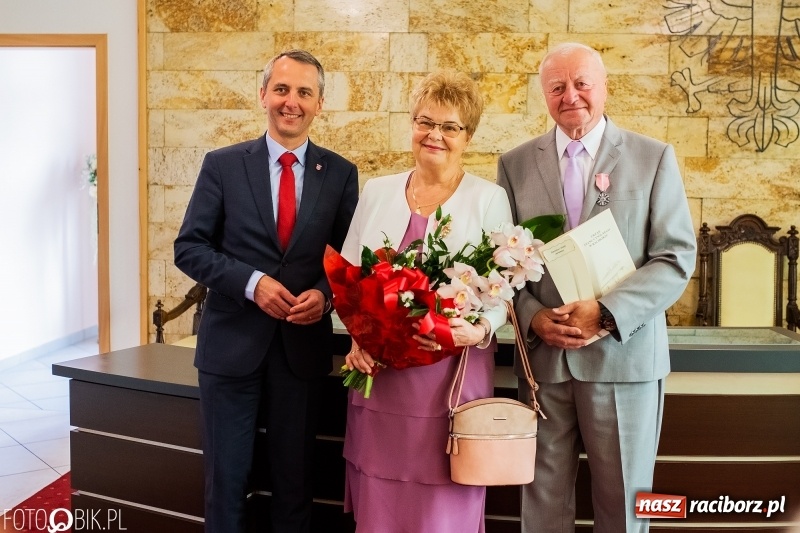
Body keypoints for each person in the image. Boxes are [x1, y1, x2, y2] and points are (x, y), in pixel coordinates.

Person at [497, 42, 697, 533]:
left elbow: (675, 257)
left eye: (582, 83)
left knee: (627, 508)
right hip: (545, 365)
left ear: (605, 87)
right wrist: (533, 317)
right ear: (544, 94)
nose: (571, 96)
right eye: (557, 86)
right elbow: (499, 264)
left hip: (624, 362)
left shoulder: (653, 158)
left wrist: (606, 313)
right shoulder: (514, 164)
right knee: (540, 508)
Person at [174, 49, 358, 533]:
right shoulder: (222, 165)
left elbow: (349, 259)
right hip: (230, 350)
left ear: (320, 103)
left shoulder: (340, 174)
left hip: (301, 354)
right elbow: (189, 247)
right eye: (281, 89)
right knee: (227, 482)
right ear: (262, 96)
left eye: (303, 92)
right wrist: (252, 284)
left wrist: (326, 294)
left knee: (294, 484)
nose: (290, 102)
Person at [341, 70, 511, 532]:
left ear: (468, 136)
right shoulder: (376, 192)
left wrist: (483, 327)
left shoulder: (489, 198)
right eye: (424, 122)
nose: (434, 135)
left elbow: (506, 284)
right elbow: (351, 278)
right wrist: (359, 335)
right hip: (382, 374)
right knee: (382, 497)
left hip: (450, 374)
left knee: (444, 499)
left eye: (449, 127)